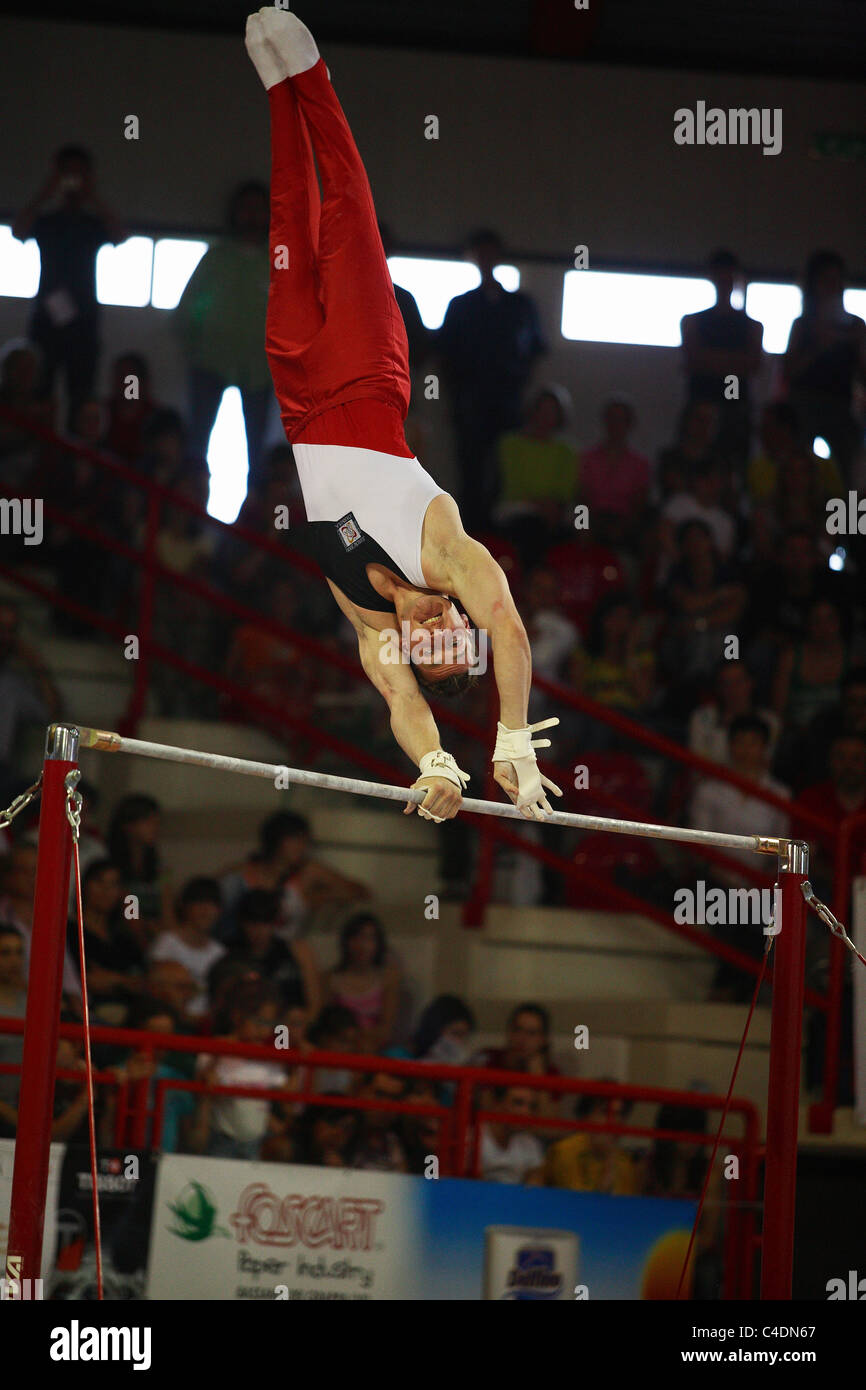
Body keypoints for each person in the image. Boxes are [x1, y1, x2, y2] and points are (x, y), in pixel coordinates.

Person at [244, 9, 561, 826]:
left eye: (426, 646)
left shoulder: (367, 617)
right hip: (367, 371)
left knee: (289, 221)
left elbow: (399, 701)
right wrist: (512, 738)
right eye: (448, 628)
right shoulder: (452, 554)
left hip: (300, 397)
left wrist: (437, 764)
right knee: (348, 209)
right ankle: (312, 76)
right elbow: (514, 636)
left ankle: (277, 91)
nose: (428, 626)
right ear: (459, 616)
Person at [438, 228, 547, 530]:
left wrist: (527, 398)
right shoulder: (460, 305)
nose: (486, 259)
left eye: (490, 252)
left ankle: (502, 532)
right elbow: (445, 356)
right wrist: (452, 400)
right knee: (470, 468)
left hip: (508, 400)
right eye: (480, 253)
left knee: (506, 468)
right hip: (470, 401)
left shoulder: (521, 305)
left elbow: (535, 352)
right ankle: (470, 531)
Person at [12, 145, 127, 424]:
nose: (73, 180)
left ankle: (77, 463)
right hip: (46, 320)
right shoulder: (47, 221)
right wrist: (47, 190)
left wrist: (92, 195)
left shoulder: (92, 223)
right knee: (39, 394)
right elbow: (19, 230)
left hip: (83, 322)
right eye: (68, 173)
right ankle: (38, 458)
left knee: (81, 397)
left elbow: (120, 234)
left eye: (79, 174)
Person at [174, 180, 274, 488]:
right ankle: (190, 516)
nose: (252, 216)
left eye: (259, 209)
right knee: (197, 444)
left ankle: (253, 521)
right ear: (234, 212)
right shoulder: (216, 257)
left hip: (260, 369)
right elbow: (188, 307)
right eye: (246, 209)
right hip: (210, 363)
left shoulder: (278, 261)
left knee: (256, 453)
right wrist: (195, 350)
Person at [218, 809, 368, 942]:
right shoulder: (239, 874)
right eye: (295, 839)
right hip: (239, 949)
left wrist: (320, 897)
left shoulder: (308, 872)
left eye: (304, 841)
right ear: (276, 839)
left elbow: (360, 891)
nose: (302, 846)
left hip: (284, 956)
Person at [784, 250, 866, 476]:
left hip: (841, 406)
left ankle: (844, 511)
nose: (834, 287)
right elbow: (789, 371)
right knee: (800, 468)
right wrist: (818, 346)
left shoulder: (855, 325)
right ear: (815, 285)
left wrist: (859, 345)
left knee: (847, 470)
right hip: (804, 406)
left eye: (838, 281)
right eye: (827, 280)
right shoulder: (802, 325)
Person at [680, 249, 763, 471]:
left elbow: (753, 365)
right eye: (720, 274)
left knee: (733, 464)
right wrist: (734, 362)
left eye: (728, 274)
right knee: (692, 461)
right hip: (702, 400)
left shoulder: (752, 326)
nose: (724, 279)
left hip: (734, 406)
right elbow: (692, 361)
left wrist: (711, 359)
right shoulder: (693, 321)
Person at [189, 976, 288, 1159]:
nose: (263, 1030)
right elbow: (202, 1087)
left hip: (257, 1141)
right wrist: (216, 1059)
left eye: (269, 1024)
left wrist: (295, 1058)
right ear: (237, 1017)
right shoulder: (216, 1048)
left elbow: (287, 1095)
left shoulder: (269, 1057)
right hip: (222, 1139)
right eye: (258, 1021)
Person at [493, 385, 578, 567]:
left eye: (552, 411)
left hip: (556, 511)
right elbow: (513, 484)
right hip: (516, 506)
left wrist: (553, 507)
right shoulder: (510, 444)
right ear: (532, 411)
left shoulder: (567, 451)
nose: (546, 416)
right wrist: (539, 504)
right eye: (542, 409)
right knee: (532, 528)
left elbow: (566, 489)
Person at [218, 888, 321, 1021]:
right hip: (247, 1029)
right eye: (253, 923)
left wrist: (299, 1028)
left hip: (290, 1029)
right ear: (242, 923)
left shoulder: (297, 951)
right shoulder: (227, 952)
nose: (259, 930)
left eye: (265, 923)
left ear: (274, 923)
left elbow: (315, 1003)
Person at [68, 859, 149, 1022]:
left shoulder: (124, 936)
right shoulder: (69, 930)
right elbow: (86, 981)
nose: (106, 890)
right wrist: (124, 981)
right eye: (99, 882)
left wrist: (113, 979)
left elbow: (143, 982)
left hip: (132, 1013)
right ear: (84, 885)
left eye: (113, 884)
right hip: (87, 1013)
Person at [0, 600, 61, 804]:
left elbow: (51, 715)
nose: (4, 637)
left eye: (10, 630)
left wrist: (36, 664)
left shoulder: (12, 683)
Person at [578, 397, 651, 548]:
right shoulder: (587, 458)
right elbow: (581, 499)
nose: (615, 425)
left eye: (620, 420)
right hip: (593, 520)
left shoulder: (640, 464)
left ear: (629, 424)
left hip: (624, 525)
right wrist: (582, 526)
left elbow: (639, 505)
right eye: (611, 419)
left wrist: (625, 528)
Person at [149, 877, 227, 1017]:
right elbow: (157, 990)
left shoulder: (220, 952)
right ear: (185, 906)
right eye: (199, 903)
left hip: (207, 1026)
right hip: (171, 1020)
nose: (205, 910)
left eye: (211, 904)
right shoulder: (167, 943)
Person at [325, 912, 401, 1052]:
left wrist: (362, 1038)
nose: (362, 945)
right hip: (340, 1048)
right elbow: (326, 1024)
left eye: (369, 939)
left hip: (374, 1049)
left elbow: (386, 1029)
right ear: (346, 942)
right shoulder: (332, 979)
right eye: (357, 938)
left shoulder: (388, 979)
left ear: (378, 944)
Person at [542, 1092, 639, 1194]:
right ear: (587, 1116)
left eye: (620, 1114)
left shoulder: (625, 1163)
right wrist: (608, 1168)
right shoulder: (565, 1151)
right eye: (605, 1112)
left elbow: (627, 1204)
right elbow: (576, 1203)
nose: (614, 1121)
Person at [688, 660, 779, 766]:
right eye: (726, 683)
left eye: (738, 682)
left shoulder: (770, 721)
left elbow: (764, 764)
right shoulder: (702, 718)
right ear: (718, 687)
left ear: (751, 683)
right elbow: (696, 764)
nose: (732, 690)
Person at [107, 794, 166, 944]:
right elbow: (129, 911)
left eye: (157, 822)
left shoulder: (159, 868)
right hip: (122, 938)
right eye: (148, 821)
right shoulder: (110, 864)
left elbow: (167, 907)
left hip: (156, 937)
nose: (155, 827)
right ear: (128, 825)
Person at [479, 1083, 545, 1184]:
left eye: (531, 1106)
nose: (526, 1112)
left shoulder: (531, 1143)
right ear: (497, 1104)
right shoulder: (473, 1138)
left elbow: (535, 1185)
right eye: (518, 1103)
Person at [0, 925, 27, 1137]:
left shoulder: (29, 1001)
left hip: (24, 1107)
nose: (14, 961)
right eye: (5, 953)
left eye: (19, 952)